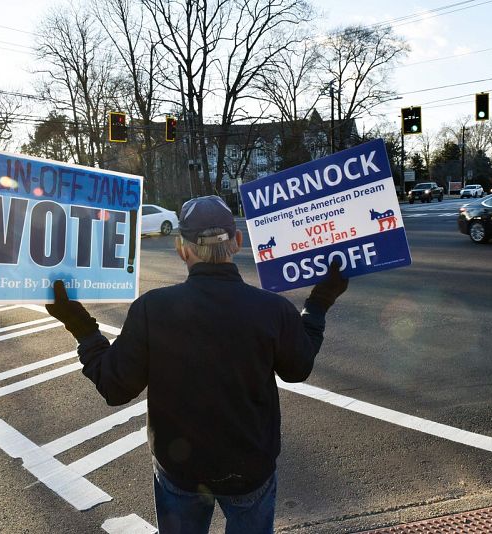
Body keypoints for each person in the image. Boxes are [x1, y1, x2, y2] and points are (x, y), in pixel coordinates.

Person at [46, 195, 348, 533]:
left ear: (181, 248)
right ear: (237, 241)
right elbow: (298, 368)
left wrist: (79, 323)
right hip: (250, 469)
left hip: (181, 470)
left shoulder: (152, 309)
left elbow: (115, 387)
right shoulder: (270, 309)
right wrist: (320, 301)